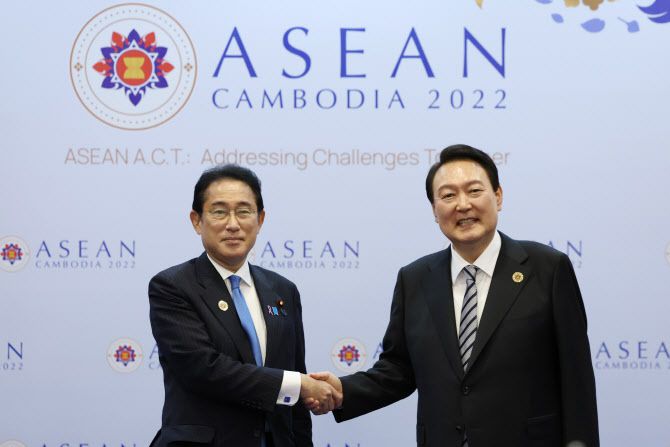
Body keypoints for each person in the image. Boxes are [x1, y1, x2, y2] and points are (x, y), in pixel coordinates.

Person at [309, 144, 599, 446]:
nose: (462, 205)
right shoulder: (415, 279)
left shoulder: (547, 268)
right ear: (435, 211)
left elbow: (576, 376)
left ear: (498, 196)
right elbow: (398, 369)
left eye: (474, 191)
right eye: (448, 196)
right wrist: (342, 390)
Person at [148, 164, 340, 447]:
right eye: (219, 212)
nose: (233, 224)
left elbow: (295, 392)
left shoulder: (282, 290)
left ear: (260, 220)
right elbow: (204, 370)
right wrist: (298, 385)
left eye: (244, 211)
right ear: (196, 221)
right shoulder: (173, 286)